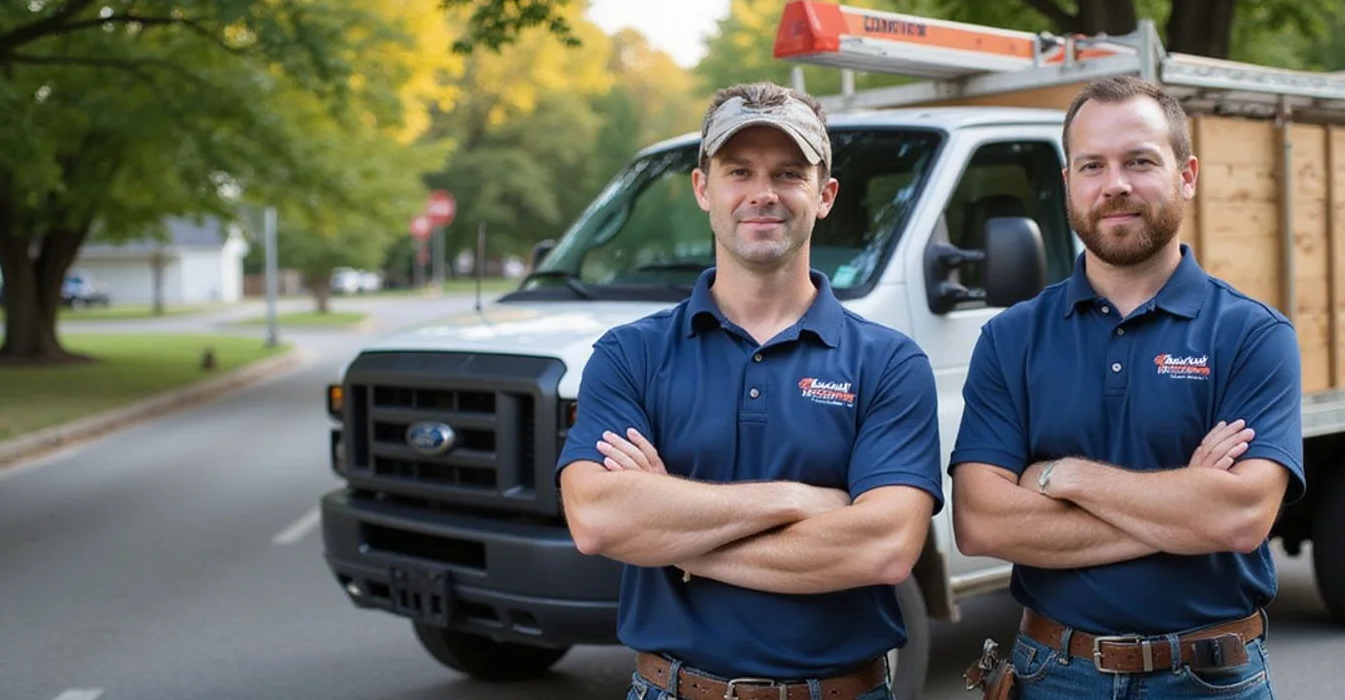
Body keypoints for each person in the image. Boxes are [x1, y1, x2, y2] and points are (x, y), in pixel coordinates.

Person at [557, 81, 944, 700]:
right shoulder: (630, 353)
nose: (763, 194)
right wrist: (798, 499)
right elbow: (599, 519)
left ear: (825, 195)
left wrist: (676, 542)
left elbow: (883, 548)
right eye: (739, 170)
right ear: (703, 188)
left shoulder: (889, 362)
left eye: (789, 173)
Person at [949, 75, 1306, 699]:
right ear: (1068, 184)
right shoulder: (1010, 339)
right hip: (1053, 676)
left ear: (1186, 175)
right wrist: (1184, 509)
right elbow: (981, 523)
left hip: (1211, 679)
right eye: (1093, 165)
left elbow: (1240, 516)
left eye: (1140, 161)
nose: (1115, 184)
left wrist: (1065, 478)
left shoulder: (1252, 334)